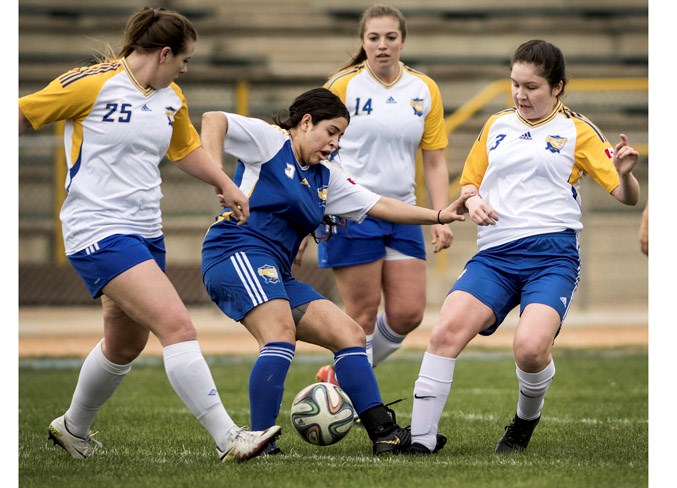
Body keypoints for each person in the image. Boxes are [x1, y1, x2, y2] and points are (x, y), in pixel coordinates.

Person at [18, 7, 280, 462]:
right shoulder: (91, 83)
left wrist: (225, 183)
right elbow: (22, 114)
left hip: (145, 232)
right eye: (184, 59)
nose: (185, 67)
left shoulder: (170, 96)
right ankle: (228, 438)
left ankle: (72, 429)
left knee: (125, 344)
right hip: (97, 229)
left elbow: (186, 150)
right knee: (177, 326)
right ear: (163, 53)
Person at [199, 87, 470, 455]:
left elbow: (381, 205)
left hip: (275, 269)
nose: (335, 142)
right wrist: (220, 178)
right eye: (331, 131)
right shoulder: (270, 142)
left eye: (340, 136)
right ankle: (259, 442)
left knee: (350, 334)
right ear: (305, 122)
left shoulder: (327, 177)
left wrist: (439, 215)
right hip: (234, 251)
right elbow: (214, 120)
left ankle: (384, 435)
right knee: (280, 334)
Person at [406, 39, 640, 455]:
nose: (520, 94)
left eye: (531, 86)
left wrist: (624, 174)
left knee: (531, 350)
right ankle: (421, 441)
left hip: (552, 257)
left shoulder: (578, 130)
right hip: (495, 256)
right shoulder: (496, 124)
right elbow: (471, 179)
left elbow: (627, 197)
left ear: (557, 88)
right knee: (444, 332)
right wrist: (474, 199)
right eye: (514, 84)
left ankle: (524, 422)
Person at [302, 5, 452, 378]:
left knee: (408, 313)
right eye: (374, 38)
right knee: (362, 315)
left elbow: (434, 160)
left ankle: (340, 376)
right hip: (352, 212)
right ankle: (358, 398)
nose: (382, 45)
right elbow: (314, 151)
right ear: (362, 42)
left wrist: (440, 215)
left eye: (390, 37)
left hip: (402, 211)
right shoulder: (342, 85)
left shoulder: (424, 88)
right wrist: (310, 210)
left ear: (402, 40)